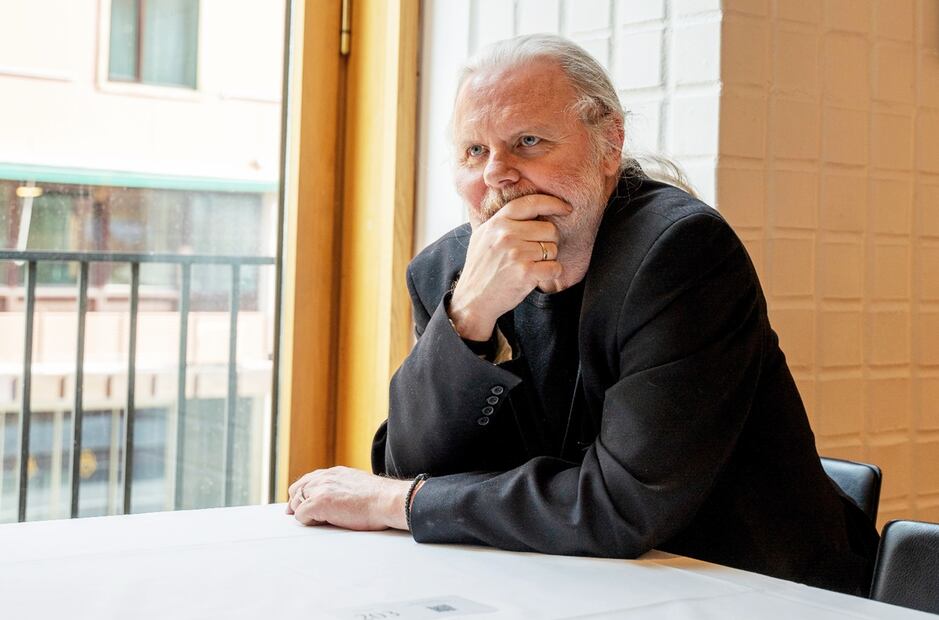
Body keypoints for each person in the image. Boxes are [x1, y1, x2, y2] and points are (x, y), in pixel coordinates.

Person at [286, 34, 878, 595]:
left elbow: (620, 506)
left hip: (750, 588)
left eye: (529, 142)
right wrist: (468, 315)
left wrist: (400, 505)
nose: (497, 173)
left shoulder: (681, 252)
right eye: (475, 150)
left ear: (609, 145)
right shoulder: (446, 273)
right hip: (566, 583)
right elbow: (409, 464)